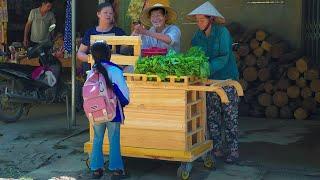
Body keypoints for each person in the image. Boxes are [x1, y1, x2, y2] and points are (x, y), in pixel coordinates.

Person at [188, 1, 240, 164]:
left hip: (227, 79)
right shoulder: (197, 35)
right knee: (212, 116)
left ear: (211, 19)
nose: (199, 23)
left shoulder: (222, 32)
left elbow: (224, 56)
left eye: (202, 20)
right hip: (209, 82)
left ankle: (233, 150)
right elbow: (193, 54)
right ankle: (217, 147)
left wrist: (205, 68)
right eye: (197, 20)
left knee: (230, 116)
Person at [88, 41, 130, 179]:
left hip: (96, 111)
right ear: (109, 55)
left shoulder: (91, 72)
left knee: (97, 138)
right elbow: (123, 94)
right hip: (113, 112)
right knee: (114, 139)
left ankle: (95, 169)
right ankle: (117, 170)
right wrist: (124, 103)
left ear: (93, 56)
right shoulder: (115, 70)